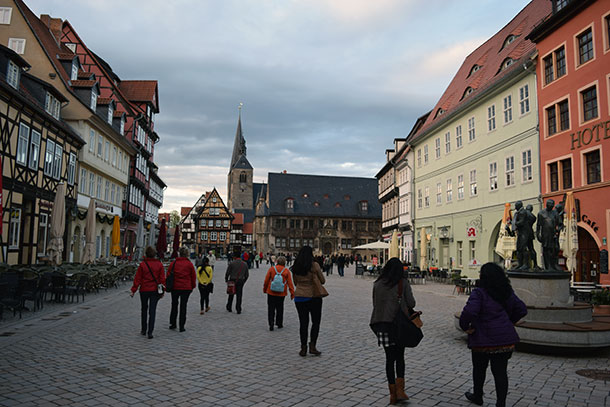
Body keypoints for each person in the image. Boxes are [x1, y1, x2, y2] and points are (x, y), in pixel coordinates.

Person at [459, 262, 527, 407]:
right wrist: (509, 321)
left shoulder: (480, 292)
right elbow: (521, 309)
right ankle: (500, 403)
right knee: (500, 373)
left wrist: (465, 326)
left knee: (479, 369)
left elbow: (470, 311)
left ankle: (478, 396)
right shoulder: (507, 292)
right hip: (504, 339)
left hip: (482, 338)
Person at [370, 258, 415, 405]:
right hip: (398, 325)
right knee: (400, 357)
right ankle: (400, 390)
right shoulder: (402, 283)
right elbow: (412, 303)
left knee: (389, 359)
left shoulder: (377, 284)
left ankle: (392, 394)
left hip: (382, 325)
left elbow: (375, 303)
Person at [292, 245, 327, 357]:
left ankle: (303, 348)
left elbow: (295, 282)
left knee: (303, 323)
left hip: (300, 297)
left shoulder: (296, 266)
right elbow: (322, 280)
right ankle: (312, 346)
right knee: (315, 322)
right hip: (314, 296)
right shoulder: (314, 265)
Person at [130, 246, 165, 339]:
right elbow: (162, 279)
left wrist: (133, 290)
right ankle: (150, 332)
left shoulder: (143, 265)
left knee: (144, 309)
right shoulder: (159, 265)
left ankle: (143, 329)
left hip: (144, 290)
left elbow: (138, 279)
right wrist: (163, 291)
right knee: (152, 311)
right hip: (154, 290)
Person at [167, 247, 197, 332]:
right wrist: (192, 286)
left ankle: (173, 323)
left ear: (179, 253)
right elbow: (193, 277)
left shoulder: (174, 263)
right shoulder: (189, 264)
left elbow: (168, 274)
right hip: (186, 287)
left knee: (174, 305)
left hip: (175, 287)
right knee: (183, 306)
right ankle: (181, 325)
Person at [263, 256, 295, 331]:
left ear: (277, 261)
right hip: (281, 293)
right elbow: (290, 283)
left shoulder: (271, 269)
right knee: (280, 308)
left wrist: (265, 289)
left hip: (271, 292)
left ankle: (271, 323)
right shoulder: (286, 271)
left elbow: (266, 280)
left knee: (271, 308)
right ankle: (279, 323)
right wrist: (292, 293)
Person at [536, 199, 560, 271]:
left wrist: (558, 229)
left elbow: (560, 224)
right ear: (547, 205)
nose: (552, 207)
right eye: (550, 205)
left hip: (553, 235)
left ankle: (554, 265)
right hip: (545, 235)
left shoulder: (555, 213)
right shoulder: (541, 213)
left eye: (553, 206)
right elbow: (538, 225)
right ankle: (547, 266)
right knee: (546, 250)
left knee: (555, 249)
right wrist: (538, 234)